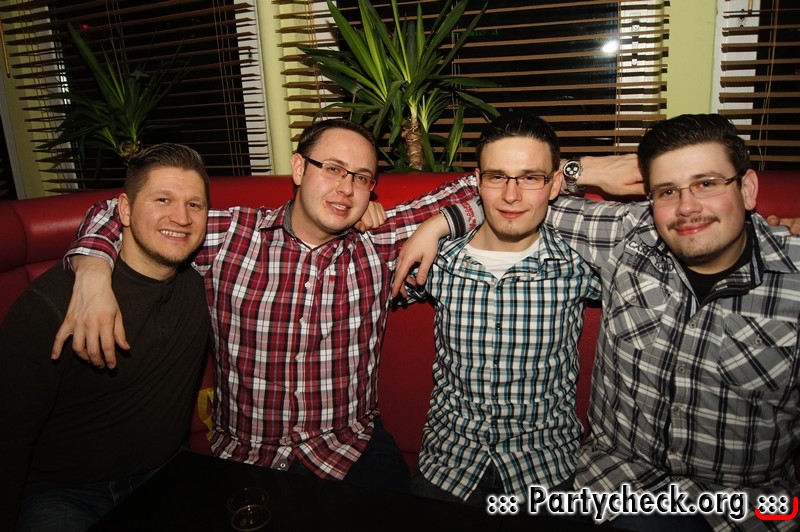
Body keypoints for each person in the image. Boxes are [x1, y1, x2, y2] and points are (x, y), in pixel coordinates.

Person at [54, 118, 646, 495]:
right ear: (298, 169)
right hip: (243, 456)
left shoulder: (380, 242)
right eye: (332, 169)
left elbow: (490, 186)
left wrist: (579, 170)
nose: (345, 187)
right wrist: (92, 272)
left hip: (350, 450)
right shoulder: (230, 234)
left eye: (361, 177)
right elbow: (123, 212)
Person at [395, 114, 800, 531]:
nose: (687, 206)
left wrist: (571, 171)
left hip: (745, 505)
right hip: (611, 485)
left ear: (747, 188)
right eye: (666, 190)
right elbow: (503, 202)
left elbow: (527, 197)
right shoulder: (628, 236)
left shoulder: (579, 258)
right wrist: (440, 223)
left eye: (708, 183)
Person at [391, 112, 601, 507]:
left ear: (555, 183)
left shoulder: (577, 263)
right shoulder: (439, 260)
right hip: (448, 465)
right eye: (497, 176)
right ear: (478, 181)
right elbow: (364, 262)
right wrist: (432, 225)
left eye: (530, 177)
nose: (511, 195)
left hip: (546, 468)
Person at [0, 143, 212, 531]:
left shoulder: (206, 287)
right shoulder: (56, 304)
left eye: (194, 205)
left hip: (166, 471)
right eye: (162, 199)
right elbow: (9, 433)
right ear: (125, 210)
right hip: (64, 493)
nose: (181, 217)